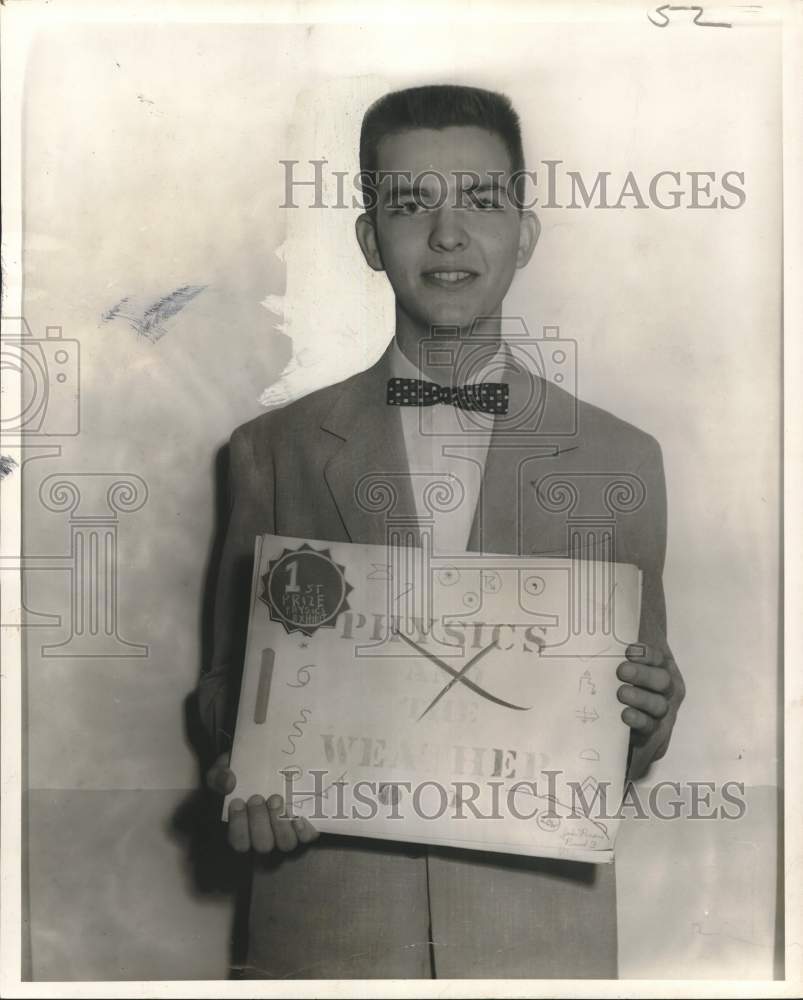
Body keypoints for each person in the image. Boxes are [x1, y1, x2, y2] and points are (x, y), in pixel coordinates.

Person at [199, 84, 685, 979]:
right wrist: (239, 774)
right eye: (410, 203)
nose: (448, 234)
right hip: (330, 933)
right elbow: (228, 700)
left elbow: (628, 728)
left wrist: (651, 709)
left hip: (537, 944)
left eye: (480, 201)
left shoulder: (624, 458)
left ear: (525, 233)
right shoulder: (272, 452)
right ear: (367, 239)